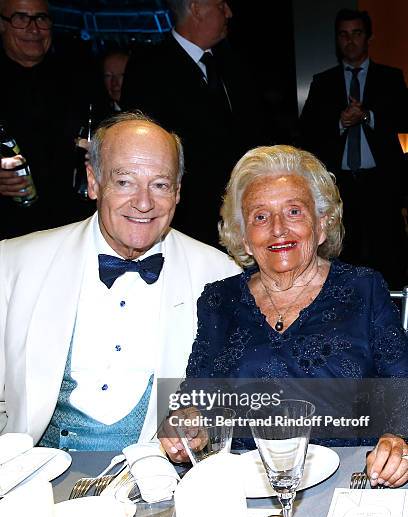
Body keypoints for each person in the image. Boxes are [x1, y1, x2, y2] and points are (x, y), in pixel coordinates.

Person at [162, 144, 408, 487]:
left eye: (294, 212)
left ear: (322, 225)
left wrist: (399, 443)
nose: (278, 229)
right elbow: (197, 399)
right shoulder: (220, 300)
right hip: (246, 490)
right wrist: (186, 424)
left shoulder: (364, 288)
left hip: (347, 481)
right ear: (244, 237)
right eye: (260, 217)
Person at [0, 111, 240, 450]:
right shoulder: (14, 262)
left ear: (178, 192)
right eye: (125, 181)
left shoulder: (220, 275)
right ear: (94, 182)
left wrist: (205, 421)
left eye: (159, 184)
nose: (143, 203)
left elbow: (235, 397)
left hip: (162, 483)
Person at [121, 0, 268, 247]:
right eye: (221, 6)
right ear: (197, 9)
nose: (229, 12)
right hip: (186, 223)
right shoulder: (149, 68)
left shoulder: (233, 63)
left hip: (243, 213)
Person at [299, 8, 408, 288]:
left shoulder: (390, 78)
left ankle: (392, 321)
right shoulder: (323, 82)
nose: (350, 41)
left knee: (389, 257)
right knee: (343, 258)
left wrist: (368, 116)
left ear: (368, 37)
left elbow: (405, 117)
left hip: (382, 183)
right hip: (340, 186)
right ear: (337, 40)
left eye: (356, 34)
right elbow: (305, 131)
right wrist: (339, 122)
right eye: (343, 35)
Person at [0, 0, 100, 238]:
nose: (34, 29)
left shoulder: (78, 77)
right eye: (21, 19)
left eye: (41, 19)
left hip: (71, 226)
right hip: (8, 231)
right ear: (2, 25)